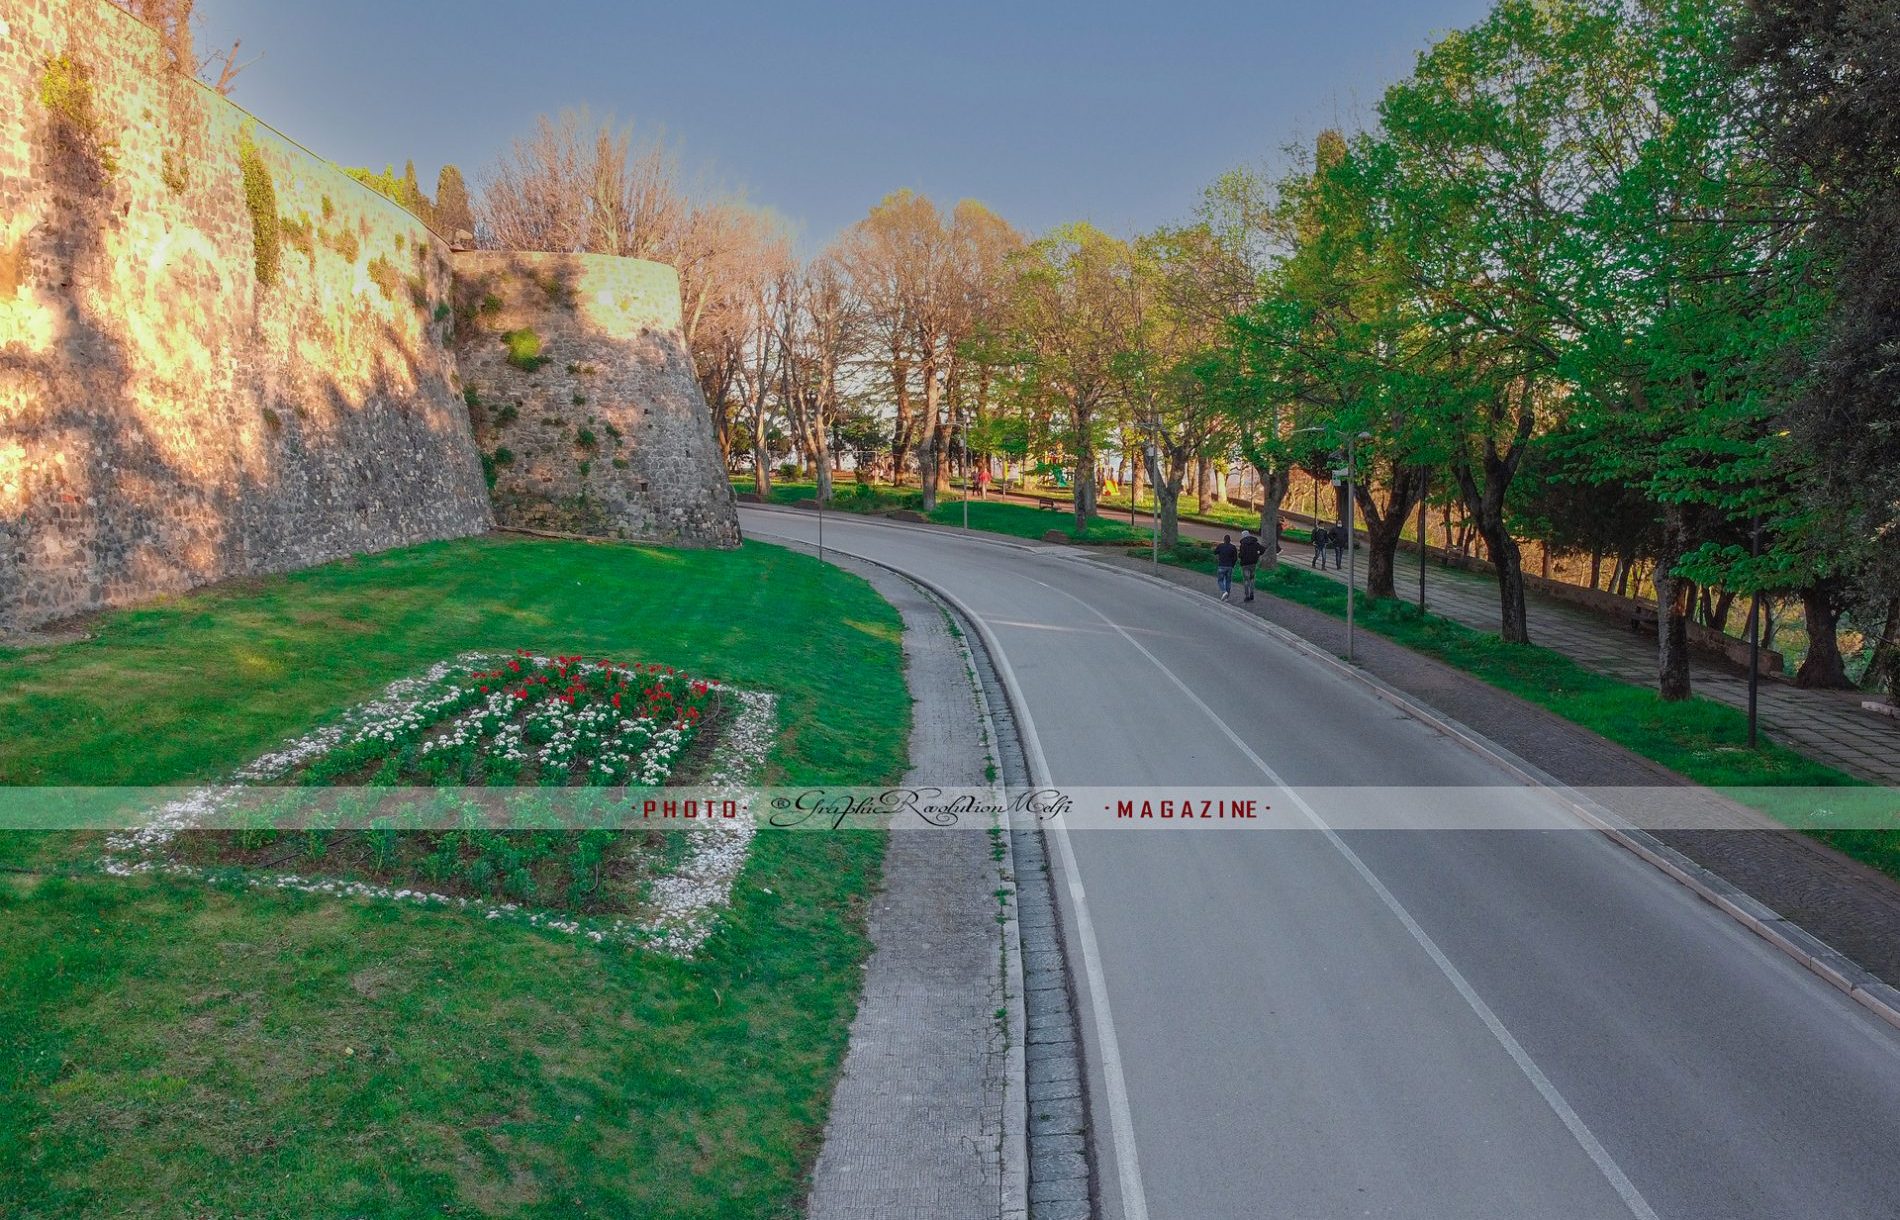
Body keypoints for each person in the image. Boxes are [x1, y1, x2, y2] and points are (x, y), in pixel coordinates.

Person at [1237, 530, 1264, 602]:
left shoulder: (1243, 544)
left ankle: (1247, 595)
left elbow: (1241, 555)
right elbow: (1263, 549)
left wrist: (1239, 555)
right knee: (1252, 579)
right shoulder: (1255, 543)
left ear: (1243, 536)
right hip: (1253, 563)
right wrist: (1258, 554)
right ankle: (1252, 593)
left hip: (1245, 564)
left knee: (1246, 580)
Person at [1214, 534, 1238, 601]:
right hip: (1229, 566)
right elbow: (1235, 558)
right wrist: (1232, 565)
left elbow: (1215, 552)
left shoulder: (1221, 546)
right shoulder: (1233, 547)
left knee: (1220, 580)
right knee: (1228, 581)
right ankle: (1226, 597)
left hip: (1221, 565)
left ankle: (1224, 591)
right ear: (1230, 540)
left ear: (1224, 540)